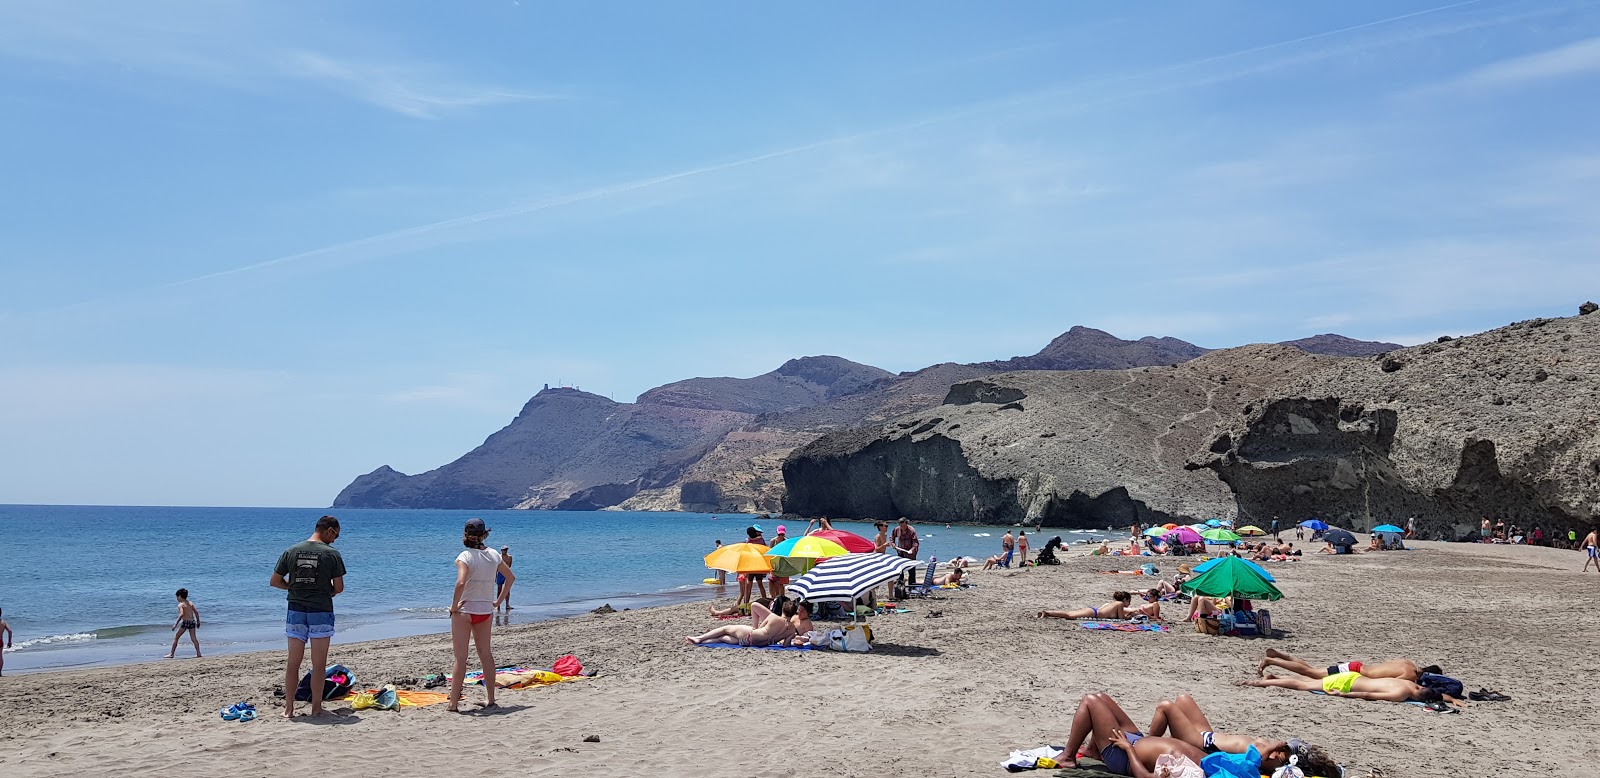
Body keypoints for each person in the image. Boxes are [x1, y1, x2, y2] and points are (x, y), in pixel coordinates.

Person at [1147, 694, 1338, 777]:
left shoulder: (1272, 757)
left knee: (1165, 707)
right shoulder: (1272, 752)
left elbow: (1258, 762)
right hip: (1209, 736)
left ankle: (1145, 742)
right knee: (1183, 699)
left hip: (1200, 742)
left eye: (1285, 749)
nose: (1281, 747)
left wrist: (1273, 748)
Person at [270, 515, 346, 718]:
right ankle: (316, 708)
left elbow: (275, 581)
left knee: (293, 662)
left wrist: (293, 588)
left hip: (295, 610)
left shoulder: (291, 551)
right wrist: (325, 591)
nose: (335, 540)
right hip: (320, 610)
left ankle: (289, 709)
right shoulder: (332, 554)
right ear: (329, 530)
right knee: (319, 664)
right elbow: (338, 587)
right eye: (336, 535)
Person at [447, 519, 514, 711]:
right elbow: (510, 578)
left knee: (461, 658)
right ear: (484, 534)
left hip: (465, 611)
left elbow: (460, 583)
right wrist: (498, 602)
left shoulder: (465, 556)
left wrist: (453, 607)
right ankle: (490, 698)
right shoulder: (493, 554)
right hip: (485, 611)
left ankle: (453, 703)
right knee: (485, 654)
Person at [1059, 693, 1207, 776]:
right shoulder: (1215, 765)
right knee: (1101, 697)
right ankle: (1093, 750)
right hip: (1138, 740)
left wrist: (1128, 748)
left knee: (1090, 701)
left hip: (1124, 756)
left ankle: (1067, 758)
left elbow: (1144, 776)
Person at [1243, 672, 1455, 706]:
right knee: (1302, 685)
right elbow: (1368, 695)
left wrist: (1450, 698)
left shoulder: (1410, 683)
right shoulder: (1403, 694)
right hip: (1348, 684)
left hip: (1354, 676)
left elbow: (1435, 694)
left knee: (1307, 679)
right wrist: (1342, 694)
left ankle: (1273, 677)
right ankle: (1261, 682)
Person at [1254, 649, 1439, 682]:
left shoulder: (1407, 662)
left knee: (1313, 670)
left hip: (1357, 666)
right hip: (1354, 671)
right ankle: (1271, 661)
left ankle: (1277, 655)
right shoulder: (1411, 673)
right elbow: (1397, 684)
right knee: (1312, 673)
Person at [685, 600, 796, 647]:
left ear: (782, 610)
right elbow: (786, 645)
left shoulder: (773, 617)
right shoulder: (792, 629)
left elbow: (758, 629)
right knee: (723, 638)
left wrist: (755, 626)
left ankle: (699, 638)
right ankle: (701, 642)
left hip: (752, 636)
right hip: (758, 643)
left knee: (726, 629)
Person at [1038, 591, 1134, 620]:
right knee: (1069, 615)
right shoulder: (1120, 604)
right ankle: (1046, 612)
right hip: (1094, 613)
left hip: (1093, 611)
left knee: (1069, 614)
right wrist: (1128, 617)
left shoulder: (1114, 603)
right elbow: (1121, 618)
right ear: (1125, 600)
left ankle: (1047, 613)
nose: (1129, 604)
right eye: (1129, 601)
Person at [166, 588, 202, 659]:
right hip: (192, 622)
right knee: (193, 638)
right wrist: (198, 621)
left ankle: (172, 654)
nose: (177, 598)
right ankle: (198, 653)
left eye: (177, 597)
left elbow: (182, 614)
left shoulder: (181, 605)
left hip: (185, 622)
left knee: (176, 637)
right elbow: (196, 613)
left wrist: (176, 624)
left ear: (179, 596)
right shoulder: (190, 603)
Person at [891, 518, 920, 591]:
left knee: (911, 571)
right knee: (900, 571)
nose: (902, 528)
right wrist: (893, 544)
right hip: (900, 552)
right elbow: (892, 537)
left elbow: (915, 542)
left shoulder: (911, 530)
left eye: (904, 526)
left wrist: (912, 549)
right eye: (901, 526)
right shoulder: (897, 529)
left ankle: (912, 588)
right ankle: (900, 587)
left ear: (906, 524)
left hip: (910, 554)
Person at [497, 545, 515, 610]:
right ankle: (498, 605)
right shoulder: (499, 557)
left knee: (507, 589)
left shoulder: (509, 557)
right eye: (504, 550)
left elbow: (509, 565)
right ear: (501, 550)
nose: (505, 551)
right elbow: (496, 566)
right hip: (500, 573)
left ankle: (507, 604)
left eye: (506, 550)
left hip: (507, 573)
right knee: (499, 589)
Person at [0, 608, 12, 676]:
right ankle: (0, 672)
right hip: (0, 641)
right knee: (0, 657)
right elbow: (10, 631)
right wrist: (9, 641)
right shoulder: (3, 623)